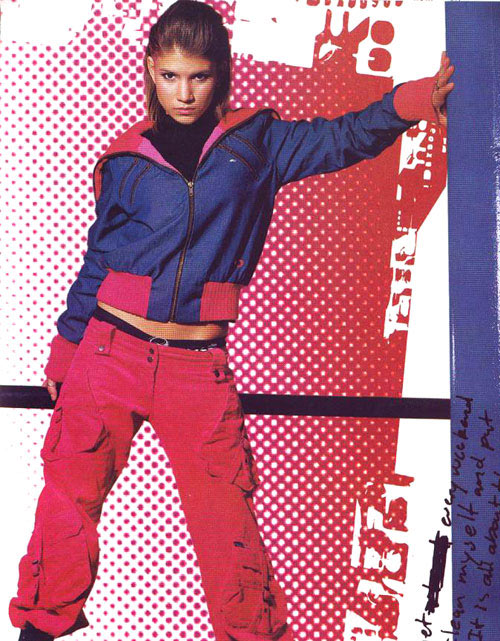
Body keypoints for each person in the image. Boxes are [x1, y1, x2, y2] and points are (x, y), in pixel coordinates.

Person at [9, 1, 454, 640]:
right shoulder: (126, 160)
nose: (184, 93)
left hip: (196, 367)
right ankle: (37, 629)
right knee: (67, 502)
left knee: (227, 526)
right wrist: (65, 350)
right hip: (109, 353)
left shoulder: (258, 143)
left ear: (220, 72)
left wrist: (408, 103)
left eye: (198, 76)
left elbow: (343, 138)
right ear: (151, 71)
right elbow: (98, 262)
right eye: (170, 76)